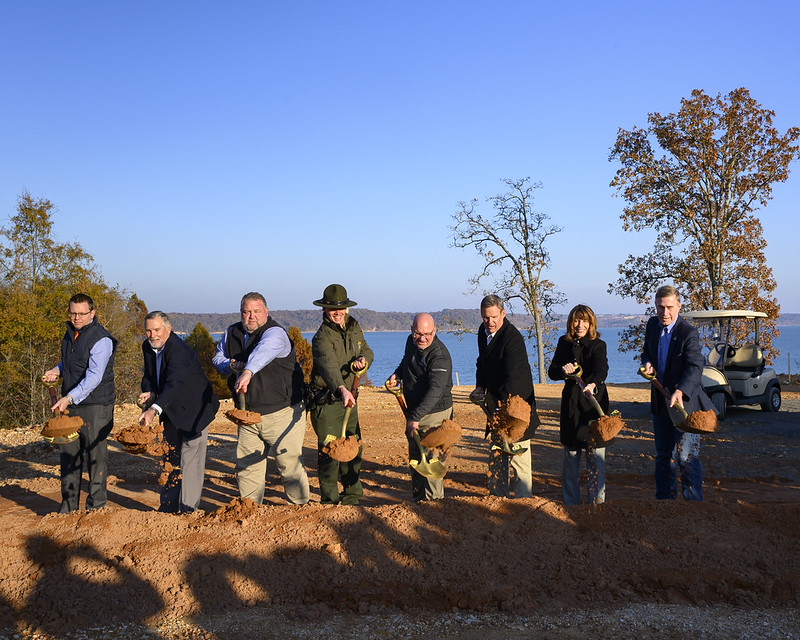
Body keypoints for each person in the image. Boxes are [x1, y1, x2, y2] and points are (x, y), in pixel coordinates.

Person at [212, 292, 309, 505]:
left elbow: (264, 352)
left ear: (266, 311)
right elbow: (217, 358)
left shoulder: (275, 333)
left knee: (289, 465)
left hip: (282, 412)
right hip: (248, 414)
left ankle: (300, 511)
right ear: (241, 313)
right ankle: (250, 511)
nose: (251, 316)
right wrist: (229, 365)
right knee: (247, 466)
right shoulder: (231, 332)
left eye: (256, 311)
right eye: (246, 312)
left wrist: (247, 371)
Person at [43, 293, 117, 513]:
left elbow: (94, 377)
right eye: (72, 313)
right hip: (72, 403)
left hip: (96, 405)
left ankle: (96, 510)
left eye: (81, 314)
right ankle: (68, 509)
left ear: (92, 313)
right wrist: (56, 371)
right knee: (68, 456)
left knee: (96, 458)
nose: (76, 318)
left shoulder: (102, 339)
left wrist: (68, 398)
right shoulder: (70, 334)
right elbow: (68, 361)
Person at [139, 311, 219, 513]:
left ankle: (188, 511)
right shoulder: (147, 347)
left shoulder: (179, 351)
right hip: (171, 410)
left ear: (168, 329)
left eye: (157, 330)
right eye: (148, 330)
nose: (152, 335)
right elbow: (149, 375)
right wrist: (149, 391)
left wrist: (153, 410)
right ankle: (167, 508)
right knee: (171, 458)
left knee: (190, 462)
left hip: (195, 411)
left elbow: (175, 384)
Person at [641, 285, 712, 501]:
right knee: (664, 456)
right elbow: (646, 352)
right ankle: (665, 504)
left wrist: (681, 390)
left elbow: (695, 366)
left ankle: (692, 506)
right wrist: (648, 363)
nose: (665, 313)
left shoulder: (688, 332)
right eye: (660, 307)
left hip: (685, 407)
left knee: (686, 457)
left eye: (669, 307)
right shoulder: (653, 325)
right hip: (660, 404)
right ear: (655, 306)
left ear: (679, 306)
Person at [309, 284, 374, 505]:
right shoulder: (321, 338)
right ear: (324, 310)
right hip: (328, 403)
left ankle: (352, 496)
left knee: (353, 445)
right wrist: (342, 388)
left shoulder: (355, 327)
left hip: (350, 400)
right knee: (330, 451)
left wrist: (364, 361)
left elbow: (366, 350)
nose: (337, 312)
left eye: (340, 308)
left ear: (346, 308)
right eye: (331, 308)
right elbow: (329, 368)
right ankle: (330, 500)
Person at [471, 294, 538, 498]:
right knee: (497, 456)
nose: (490, 322)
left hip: (517, 408)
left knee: (519, 461)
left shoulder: (513, 339)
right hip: (496, 407)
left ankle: (523, 505)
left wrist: (502, 411)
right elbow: (482, 364)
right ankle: (497, 502)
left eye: (493, 317)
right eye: (485, 318)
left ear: (503, 313)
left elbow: (514, 379)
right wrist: (480, 386)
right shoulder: (483, 334)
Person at [548, 304, 609, 505]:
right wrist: (564, 372)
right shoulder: (563, 343)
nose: (580, 325)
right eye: (576, 320)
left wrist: (592, 383)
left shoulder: (598, 345)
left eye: (584, 320)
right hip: (572, 405)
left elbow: (602, 369)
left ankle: (596, 504)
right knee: (571, 455)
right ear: (570, 323)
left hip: (593, 403)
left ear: (591, 323)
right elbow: (552, 372)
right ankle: (570, 503)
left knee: (595, 456)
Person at [388, 313, 453, 501]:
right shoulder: (411, 341)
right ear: (411, 330)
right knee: (416, 455)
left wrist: (414, 418)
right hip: (416, 409)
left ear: (435, 331)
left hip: (435, 412)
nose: (422, 338)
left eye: (427, 334)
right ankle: (418, 500)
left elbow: (436, 391)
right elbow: (406, 361)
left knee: (431, 458)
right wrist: (397, 374)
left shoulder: (439, 356)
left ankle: (434, 504)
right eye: (418, 333)